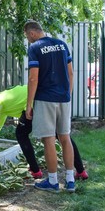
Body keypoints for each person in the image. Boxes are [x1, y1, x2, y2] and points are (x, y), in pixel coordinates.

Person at [0, 86, 88, 180]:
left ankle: (35, 171)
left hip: (33, 104)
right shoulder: (1, 103)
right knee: (62, 136)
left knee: (21, 134)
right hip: (43, 99)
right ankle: (81, 171)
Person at [24, 20, 76, 192]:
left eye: (27, 36)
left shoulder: (35, 48)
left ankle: (53, 181)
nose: (28, 39)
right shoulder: (62, 45)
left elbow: (33, 78)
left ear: (32, 33)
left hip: (45, 98)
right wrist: (67, 94)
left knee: (48, 140)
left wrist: (29, 104)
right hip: (64, 98)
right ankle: (70, 180)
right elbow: (70, 73)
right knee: (65, 137)